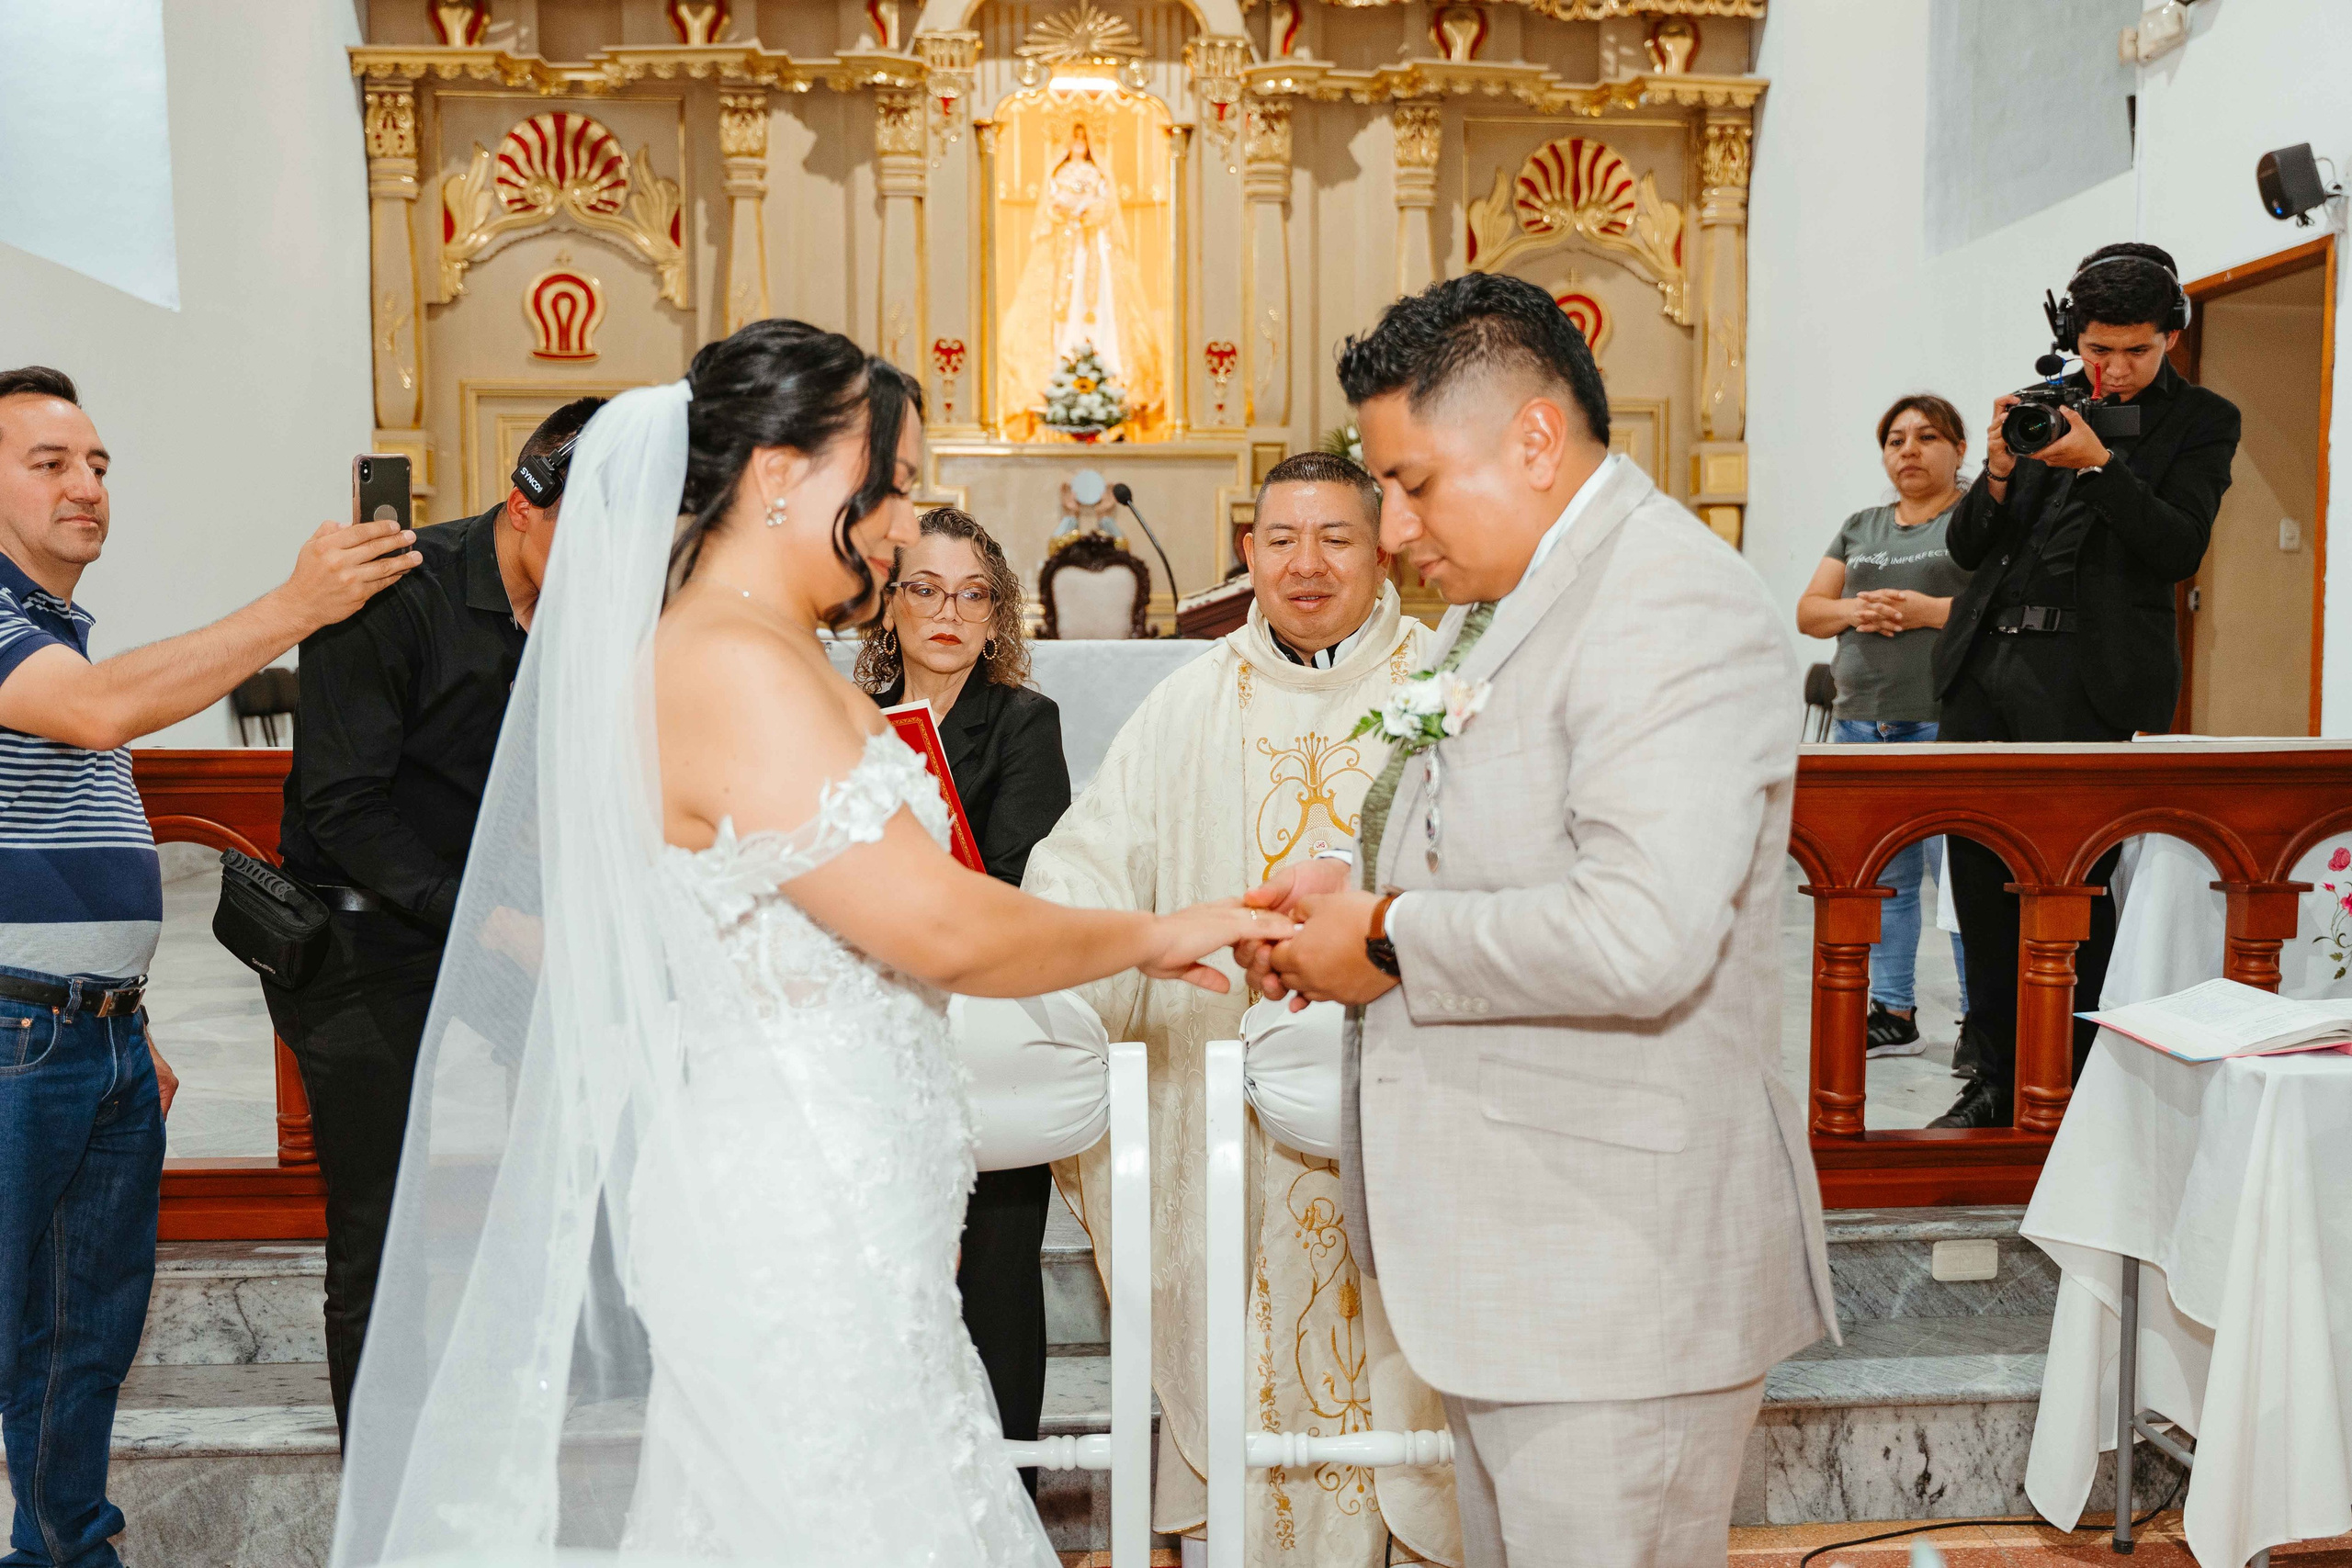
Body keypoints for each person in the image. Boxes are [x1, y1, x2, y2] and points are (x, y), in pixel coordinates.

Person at [330, 319, 1283, 1567]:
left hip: (845, 1179)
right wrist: (1159, 928)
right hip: (784, 1192)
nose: (902, 521)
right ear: (781, 475)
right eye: (885, 486)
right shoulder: (727, 662)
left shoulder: (780, 653)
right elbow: (936, 919)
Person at [1241, 275, 1833, 1568]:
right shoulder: (1513, 595)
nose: (1389, 528)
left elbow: (1641, 933)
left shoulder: (1670, 601)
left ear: (1532, 439)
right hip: (1520, 1251)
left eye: (1411, 482)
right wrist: (1353, 873)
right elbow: (1502, 824)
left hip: (1617, 1270)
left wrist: (1388, 932)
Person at [0, 364, 416, 1568]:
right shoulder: (36, 648)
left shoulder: (58, 631)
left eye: (98, 463)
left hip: (93, 1037)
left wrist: (126, 1018)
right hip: (19, 1038)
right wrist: (294, 604)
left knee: (88, 1338)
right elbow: (97, 713)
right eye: (50, 463)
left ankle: (71, 1550)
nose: (87, 484)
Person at [1021, 450, 1449, 1568]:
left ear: (1380, 545)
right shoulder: (1190, 701)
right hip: (1223, 1109)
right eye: (1282, 540)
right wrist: (1074, 948)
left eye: (1335, 538)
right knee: (1237, 1319)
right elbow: (1085, 870)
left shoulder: (1444, 688)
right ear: (1247, 553)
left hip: (1405, 1093)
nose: (1306, 565)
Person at [265, 395, 605, 1438]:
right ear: (523, 506)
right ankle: (383, 1473)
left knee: (597, 1122)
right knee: (383, 1214)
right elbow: (343, 805)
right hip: (360, 935)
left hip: (487, 915)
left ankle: (585, 1385)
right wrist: (500, 924)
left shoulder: (583, 612)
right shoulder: (391, 592)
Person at [1927, 243, 2240, 1129]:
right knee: (1981, 887)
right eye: (2098, 349)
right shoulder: (2046, 406)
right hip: (1985, 674)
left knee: (2078, 891)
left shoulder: (2203, 421)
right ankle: (1991, 1074)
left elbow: (2177, 547)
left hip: (2089, 686)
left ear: (2170, 337)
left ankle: (2072, 1084)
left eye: (2136, 350)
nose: (2113, 368)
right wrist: (1995, 469)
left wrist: (2100, 467)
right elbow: (1966, 550)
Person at [854, 505, 1072, 1489]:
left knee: (994, 1267)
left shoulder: (1024, 722)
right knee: (879, 1270)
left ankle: (1010, 1496)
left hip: (985, 1025)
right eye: (925, 588)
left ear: (997, 619)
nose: (948, 611)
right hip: (865, 1016)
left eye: (971, 594)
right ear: (889, 606)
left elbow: (1024, 870)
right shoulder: (839, 719)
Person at [1794, 393, 1974, 1058]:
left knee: (1958, 891)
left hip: (1939, 722)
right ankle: (1893, 1011)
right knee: (1885, 881)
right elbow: (1809, 612)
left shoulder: (1973, 520)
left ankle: (1975, 1020)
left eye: (1927, 436)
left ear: (1959, 449)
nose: (1909, 450)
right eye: (1896, 439)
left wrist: (1929, 611)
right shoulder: (1862, 525)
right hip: (1862, 724)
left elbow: (1996, 609)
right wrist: (1855, 611)